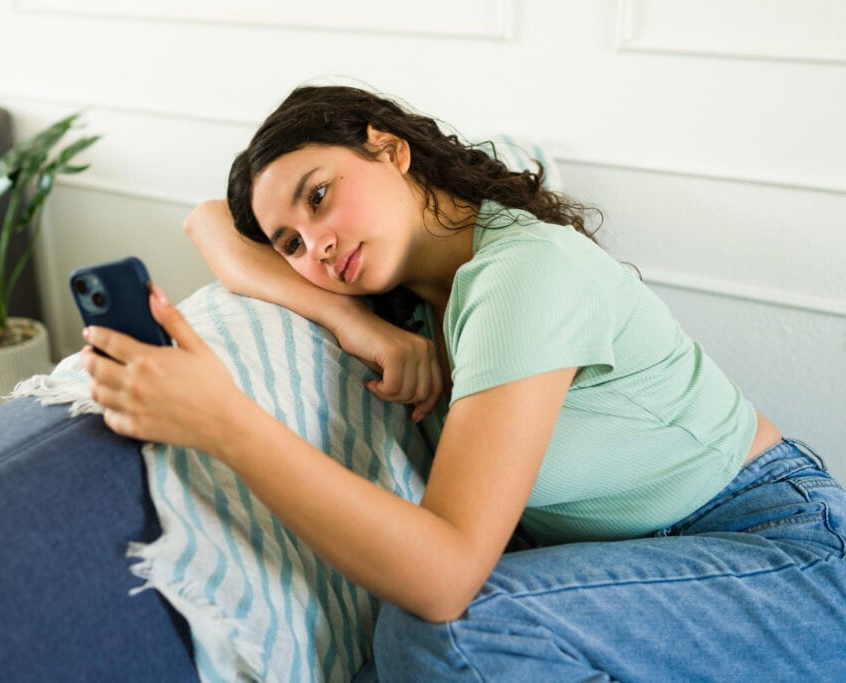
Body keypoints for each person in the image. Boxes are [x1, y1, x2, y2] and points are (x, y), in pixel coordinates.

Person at [80, 85, 846, 681]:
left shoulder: (522, 271)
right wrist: (355, 323)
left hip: (783, 551)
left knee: (441, 634)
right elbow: (209, 221)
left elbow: (445, 579)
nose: (317, 245)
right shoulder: (416, 302)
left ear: (390, 148)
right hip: (653, 571)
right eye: (293, 244)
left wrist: (225, 422)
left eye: (319, 197)